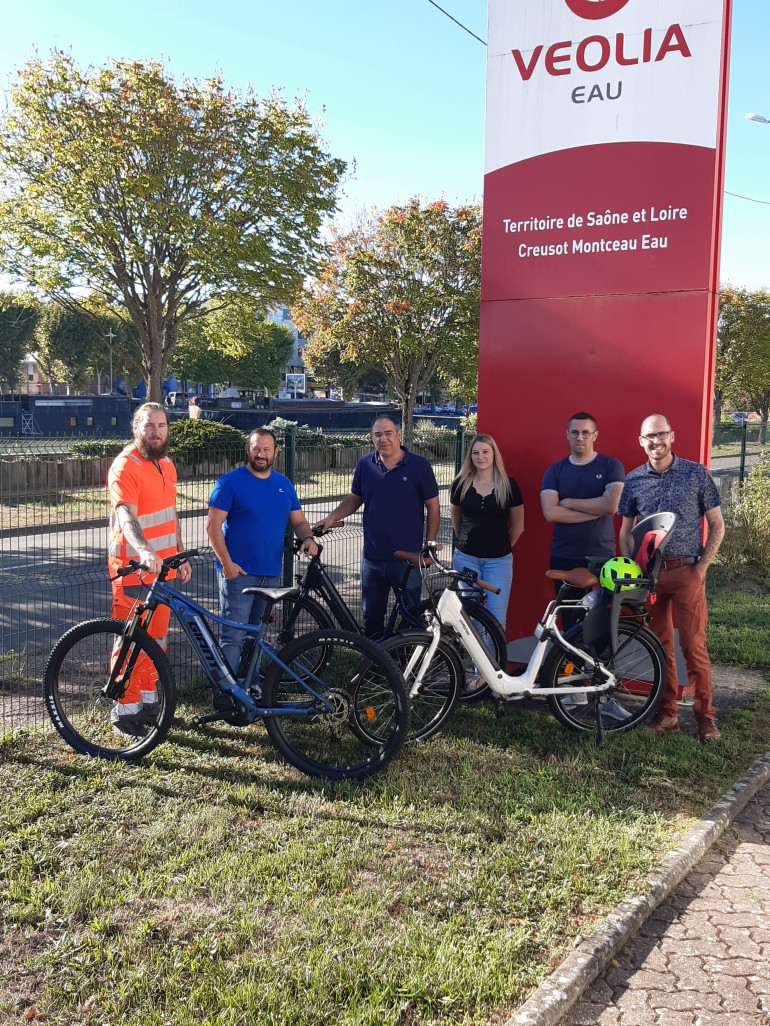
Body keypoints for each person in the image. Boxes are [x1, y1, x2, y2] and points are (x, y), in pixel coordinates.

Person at [618, 413, 725, 742]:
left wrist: (701, 568)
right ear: (641, 441)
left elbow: (718, 525)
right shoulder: (633, 480)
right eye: (649, 437)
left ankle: (706, 718)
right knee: (660, 647)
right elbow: (624, 533)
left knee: (693, 646)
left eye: (661, 434)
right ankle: (667, 715)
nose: (655, 441)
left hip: (687, 571)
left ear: (672, 436)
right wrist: (632, 569)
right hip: (650, 576)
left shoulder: (697, 474)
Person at [107, 402, 192, 735]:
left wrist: (180, 554)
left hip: (163, 570)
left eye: (162, 425)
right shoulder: (125, 466)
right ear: (136, 428)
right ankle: (124, 713)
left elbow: (170, 515)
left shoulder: (166, 463)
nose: (157, 432)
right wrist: (143, 550)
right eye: (149, 426)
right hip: (134, 569)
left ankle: (149, 705)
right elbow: (127, 514)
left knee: (156, 641)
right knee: (131, 641)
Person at [315, 415, 440, 638]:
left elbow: (433, 506)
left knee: (411, 615)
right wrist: (332, 517)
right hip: (372, 558)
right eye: (378, 434)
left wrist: (429, 543)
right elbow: (355, 498)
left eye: (388, 433)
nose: (383, 439)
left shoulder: (419, 466)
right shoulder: (365, 464)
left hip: (407, 559)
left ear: (399, 435)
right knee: (372, 617)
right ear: (372, 438)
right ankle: (374, 666)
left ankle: (406, 666)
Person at [206, 428, 318, 674]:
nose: (260, 454)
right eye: (256, 448)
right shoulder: (229, 483)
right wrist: (227, 564)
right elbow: (212, 527)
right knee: (233, 636)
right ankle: (227, 691)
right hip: (238, 573)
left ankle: (251, 687)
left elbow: (298, 521)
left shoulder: (284, 484)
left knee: (257, 636)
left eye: (266, 449)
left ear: (276, 452)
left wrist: (308, 537)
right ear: (247, 449)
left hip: (270, 573)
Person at [449, 433, 524, 632]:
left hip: (498, 562)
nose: (480, 457)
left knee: (496, 622)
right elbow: (456, 520)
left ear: (494, 454)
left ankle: (494, 664)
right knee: (472, 621)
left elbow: (518, 527)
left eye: (485, 452)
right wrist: (468, 542)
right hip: (466, 560)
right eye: (475, 453)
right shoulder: (460, 484)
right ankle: (477, 665)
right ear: (470, 456)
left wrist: (499, 546)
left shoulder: (509, 486)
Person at [541, 411, 625, 582]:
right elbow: (551, 513)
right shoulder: (555, 471)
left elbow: (611, 506)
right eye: (575, 432)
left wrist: (568, 502)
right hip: (563, 556)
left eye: (585, 432)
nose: (580, 437)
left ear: (595, 435)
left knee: (600, 609)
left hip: (601, 557)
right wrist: (598, 509)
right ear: (567, 435)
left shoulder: (611, 465)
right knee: (567, 609)